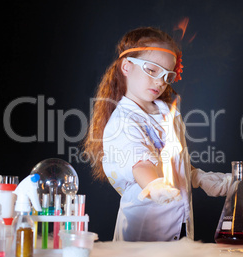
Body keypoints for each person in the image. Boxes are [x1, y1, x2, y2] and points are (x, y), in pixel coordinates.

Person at [83, 27, 231, 241]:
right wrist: (154, 185)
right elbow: (140, 165)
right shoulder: (123, 121)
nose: (160, 81)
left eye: (167, 75)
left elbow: (172, 162)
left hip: (180, 226)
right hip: (143, 236)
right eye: (152, 70)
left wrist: (198, 177)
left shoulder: (167, 113)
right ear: (126, 66)